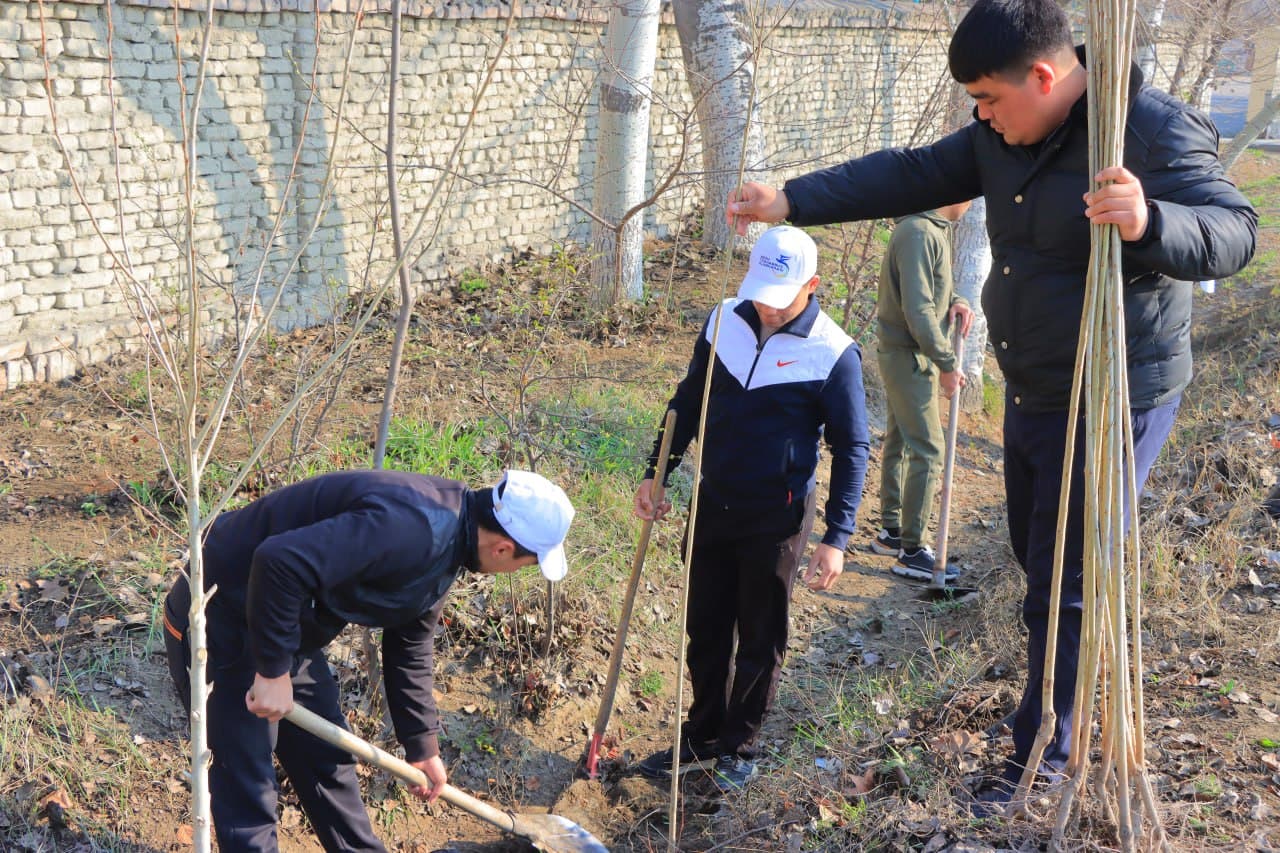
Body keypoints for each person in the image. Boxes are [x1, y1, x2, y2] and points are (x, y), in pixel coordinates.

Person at [726, 0, 1256, 810]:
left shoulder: (1144, 129)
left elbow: (1236, 231)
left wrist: (1152, 220)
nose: (981, 117)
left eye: (988, 99)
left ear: (1043, 78)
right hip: (1035, 384)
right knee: (1032, 551)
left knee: (1066, 574)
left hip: (1114, 390)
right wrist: (790, 200)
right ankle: (1054, 715)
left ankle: (1043, 752)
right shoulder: (1000, 136)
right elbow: (905, 173)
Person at [162, 468, 574, 851]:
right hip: (220, 614)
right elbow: (277, 561)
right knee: (249, 787)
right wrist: (272, 670)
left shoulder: (453, 539)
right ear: (503, 549)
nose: (517, 571)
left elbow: (411, 644)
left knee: (328, 762)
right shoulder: (412, 529)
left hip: (284, 626)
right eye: (526, 564)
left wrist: (422, 744)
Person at [634, 225, 870, 791]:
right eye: (759, 289)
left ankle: (740, 746)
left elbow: (853, 447)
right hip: (714, 502)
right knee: (706, 626)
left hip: (778, 517)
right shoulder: (723, 320)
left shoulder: (834, 354)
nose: (764, 305)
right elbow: (687, 403)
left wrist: (836, 537)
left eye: (778, 294)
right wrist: (655, 473)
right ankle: (702, 731)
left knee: (760, 635)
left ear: (811, 286)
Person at [871, 203, 975, 582]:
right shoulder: (918, 232)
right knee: (929, 448)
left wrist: (959, 301)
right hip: (908, 355)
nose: (970, 203)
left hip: (909, 353)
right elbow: (918, 310)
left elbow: (937, 288)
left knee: (900, 438)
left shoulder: (933, 228)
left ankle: (892, 532)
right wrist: (948, 364)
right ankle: (912, 550)